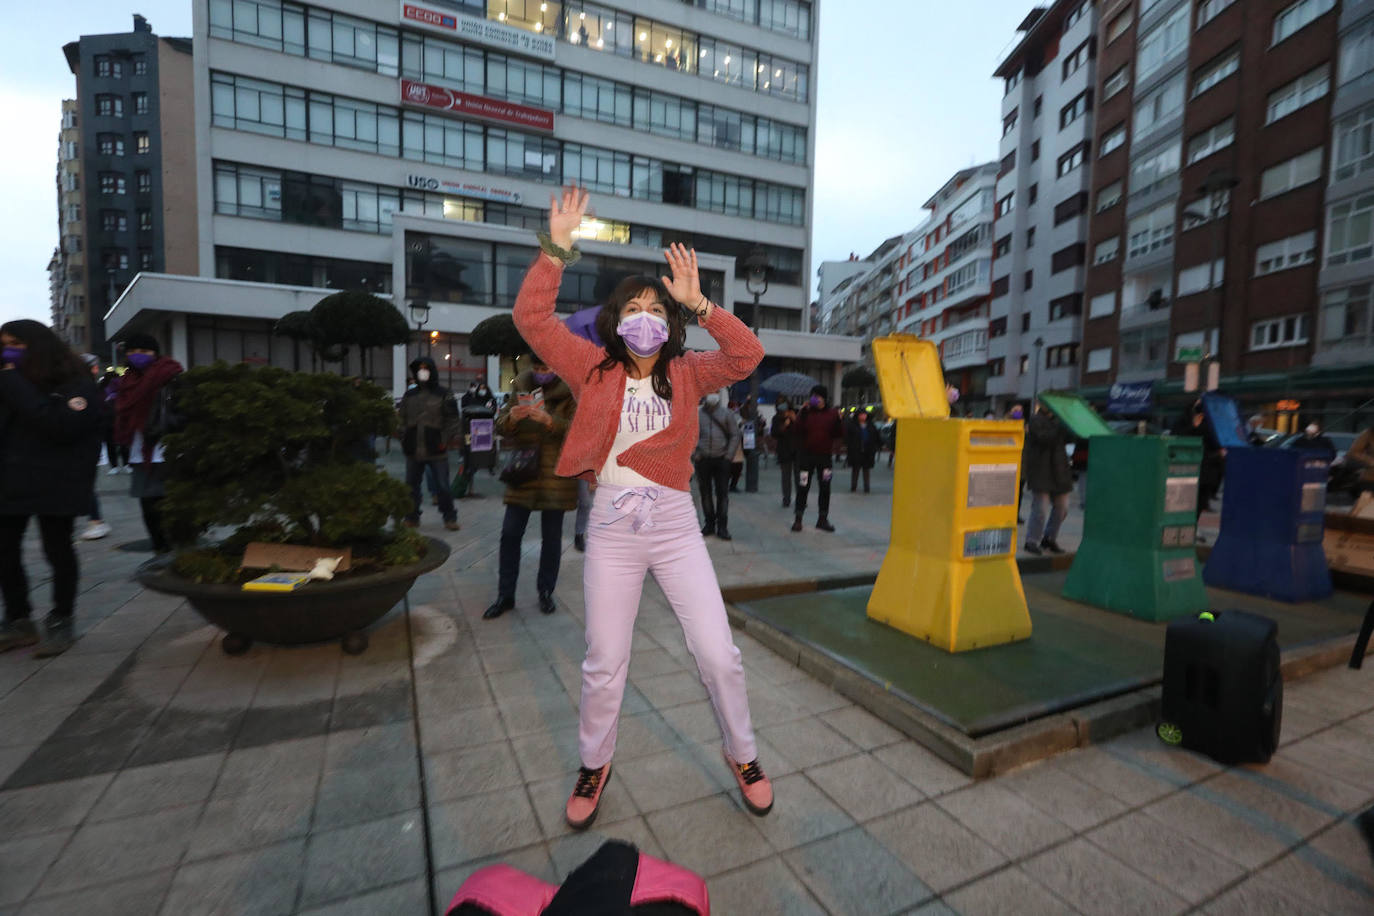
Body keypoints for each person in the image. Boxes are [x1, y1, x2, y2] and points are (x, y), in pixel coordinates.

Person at [513, 186, 772, 829]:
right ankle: (594, 762)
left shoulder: (687, 372)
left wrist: (703, 304)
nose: (646, 318)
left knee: (718, 652)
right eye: (634, 307)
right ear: (615, 318)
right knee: (605, 659)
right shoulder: (592, 367)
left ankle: (743, 753)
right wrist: (556, 250)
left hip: (676, 523)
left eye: (657, 309)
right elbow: (532, 321)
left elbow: (747, 357)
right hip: (613, 525)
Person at [0, 320, 103, 657]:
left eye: (16, 342)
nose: (8, 349)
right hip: (11, 479)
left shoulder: (75, 382)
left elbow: (58, 425)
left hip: (56, 478)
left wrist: (11, 380)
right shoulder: (9, 380)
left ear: (38, 344)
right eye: (4, 343)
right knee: (5, 551)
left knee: (57, 549)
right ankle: (18, 620)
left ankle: (61, 619)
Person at [484, 357, 578, 619]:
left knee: (551, 538)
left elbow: (580, 431)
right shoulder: (521, 387)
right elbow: (501, 425)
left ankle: (546, 591)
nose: (541, 374)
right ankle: (505, 595)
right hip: (522, 471)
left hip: (555, 476)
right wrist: (511, 419)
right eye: (537, 369)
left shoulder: (571, 392)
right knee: (510, 533)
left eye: (546, 369)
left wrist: (550, 422)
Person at [112, 333, 183, 554]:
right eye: (132, 352)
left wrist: (165, 427)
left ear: (155, 353)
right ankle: (160, 547)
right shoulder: (126, 379)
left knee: (170, 501)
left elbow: (185, 411)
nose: (137, 356)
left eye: (144, 352)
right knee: (148, 503)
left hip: (167, 448)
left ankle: (176, 545)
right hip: (139, 450)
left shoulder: (171, 375)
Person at [398, 356, 460, 531]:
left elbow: (453, 420)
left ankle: (449, 517)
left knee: (443, 486)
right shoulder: (409, 394)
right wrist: (403, 437)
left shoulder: (444, 393)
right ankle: (411, 517)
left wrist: (444, 440)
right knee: (411, 486)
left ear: (432, 370)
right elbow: (401, 418)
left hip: (436, 448)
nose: (422, 371)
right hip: (413, 448)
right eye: (420, 368)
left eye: (426, 368)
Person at [1022, 400, 1072, 555]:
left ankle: (1049, 538)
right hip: (1041, 470)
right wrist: (1062, 426)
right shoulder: (1036, 420)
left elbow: (1069, 439)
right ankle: (1032, 540)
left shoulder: (1057, 421)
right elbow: (1045, 438)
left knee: (1062, 507)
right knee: (1040, 509)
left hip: (1059, 471)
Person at [790, 384, 842, 533]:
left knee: (825, 488)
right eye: (813, 396)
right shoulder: (805, 413)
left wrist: (839, 420)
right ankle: (798, 519)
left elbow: (838, 434)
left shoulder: (832, 414)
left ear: (824, 398)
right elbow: (796, 430)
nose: (816, 399)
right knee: (802, 487)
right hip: (806, 458)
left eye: (818, 396)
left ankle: (822, 519)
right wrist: (802, 413)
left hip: (825, 459)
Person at [695, 391, 739, 540]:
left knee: (723, 494)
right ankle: (709, 524)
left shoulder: (727, 414)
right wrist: (695, 454)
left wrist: (728, 456)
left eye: (715, 392)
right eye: (710, 391)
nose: (712, 394)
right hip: (703, 459)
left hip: (722, 460)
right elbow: (691, 436)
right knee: (705, 494)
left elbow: (735, 434)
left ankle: (722, 527)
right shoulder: (698, 414)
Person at [1172, 400, 1224, 523]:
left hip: (1205, 471)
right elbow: (1178, 438)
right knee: (1185, 503)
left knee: (1199, 502)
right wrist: (1194, 426)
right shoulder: (1184, 421)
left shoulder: (1209, 424)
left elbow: (1215, 443)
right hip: (1188, 470)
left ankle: (1192, 527)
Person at [79, 354, 112, 541]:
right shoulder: (86, 386)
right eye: (92, 367)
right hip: (89, 442)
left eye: (96, 367)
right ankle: (95, 520)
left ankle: (96, 521)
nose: (96, 370)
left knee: (85, 483)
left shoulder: (87, 387)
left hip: (86, 443)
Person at [460, 380, 499, 497]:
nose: (482, 390)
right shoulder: (472, 399)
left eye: (484, 388)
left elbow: (493, 410)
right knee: (472, 455)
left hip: (487, 429)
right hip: (474, 430)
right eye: (480, 388)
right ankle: (470, 474)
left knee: (489, 449)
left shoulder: (491, 399)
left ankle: (490, 465)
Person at [770, 396, 798, 507]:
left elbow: (802, 430)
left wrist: (794, 419)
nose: (782, 406)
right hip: (784, 450)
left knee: (798, 476)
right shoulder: (776, 418)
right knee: (786, 477)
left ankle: (801, 498)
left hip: (797, 450)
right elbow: (774, 434)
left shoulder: (795, 414)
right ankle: (786, 498)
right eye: (779, 404)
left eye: (783, 403)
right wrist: (784, 425)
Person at [846, 409, 880, 493]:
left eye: (864, 415)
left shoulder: (871, 426)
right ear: (858, 416)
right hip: (856, 450)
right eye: (861, 415)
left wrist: (877, 446)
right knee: (855, 469)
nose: (863, 416)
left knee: (866, 469)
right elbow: (848, 438)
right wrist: (849, 447)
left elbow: (876, 437)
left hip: (868, 451)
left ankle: (867, 487)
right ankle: (853, 486)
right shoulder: (853, 426)